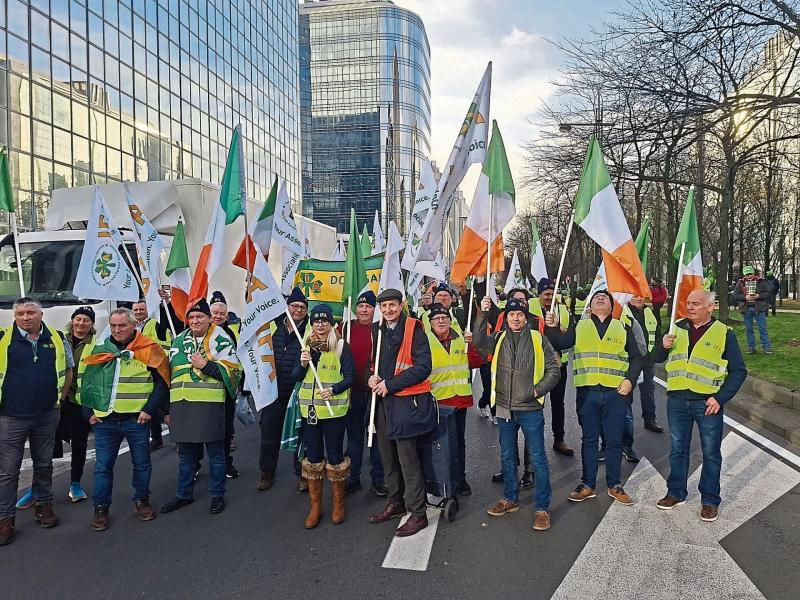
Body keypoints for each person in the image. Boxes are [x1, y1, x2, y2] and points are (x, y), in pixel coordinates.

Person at [652, 290, 747, 522]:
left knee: (711, 453)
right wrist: (663, 346)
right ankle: (676, 493)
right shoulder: (676, 328)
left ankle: (710, 500)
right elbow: (655, 358)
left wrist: (720, 398)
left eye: (696, 303)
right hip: (676, 400)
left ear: (710, 307)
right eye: (688, 303)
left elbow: (739, 370)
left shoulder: (724, 333)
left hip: (707, 403)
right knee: (678, 449)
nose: (690, 307)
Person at [474, 297, 562, 531]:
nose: (515, 318)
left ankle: (542, 508)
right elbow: (479, 343)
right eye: (511, 314)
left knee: (538, 458)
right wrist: (483, 315)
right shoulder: (499, 338)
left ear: (526, 318)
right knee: (507, 456)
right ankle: (510, 499)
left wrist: (537, 390)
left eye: (520, 314)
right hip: (504, 406)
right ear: (506, 318)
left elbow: (554, 369)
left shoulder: (537, 338)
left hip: (530, 408)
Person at [78, 308, 170, 530]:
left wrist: (149, 410)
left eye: (122, 325)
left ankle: (142, 501)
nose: (117, 330)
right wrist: (88, 413)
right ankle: (100, 509)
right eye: (114, 326)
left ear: (133, 325)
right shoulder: (99, 348)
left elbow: (162, 382)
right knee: (102, 467)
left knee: (141, 464)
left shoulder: (148, 347)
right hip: (105, 421)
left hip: (136, 420)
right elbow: (85, 382)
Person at [558, 290, 643, 506]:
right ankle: (588, 485)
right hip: (588, 393)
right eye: (596, 296)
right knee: (589, 439)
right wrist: (551, 326)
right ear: (590, 305)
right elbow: (558, 342)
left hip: (616, 393)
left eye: (605, 297)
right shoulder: (580, 326)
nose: (600, 298)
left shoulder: (622, 327)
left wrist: (630, 381)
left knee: (614, 441)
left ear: (612, 305)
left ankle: (614, 485)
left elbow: (636, 358)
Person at [0, 298, 73, 546]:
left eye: (31, 312)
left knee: (44, 464)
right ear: (15, 316)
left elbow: (69, 369)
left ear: (41, 314)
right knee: (8, 471)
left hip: (46, 413)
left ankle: (43, 506)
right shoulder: (3, 338)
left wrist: (59, 400)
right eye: (20, 313)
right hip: (11, 415)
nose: (26, 317)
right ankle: (5, 519)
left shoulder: (57, 338)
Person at [161, 299, 240, 515]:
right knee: (186, 456)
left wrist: (206, 366)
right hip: (183, 406)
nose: (195, 320)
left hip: (210, 406)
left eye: (200, 317)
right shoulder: (178, 341)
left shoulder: (220, 340)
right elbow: (168, 376)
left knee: (216, 455)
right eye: (192, 317)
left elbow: (233, 373)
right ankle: (183, 494)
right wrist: (167, 410)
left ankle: (217, 495)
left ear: (208, 319)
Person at [367, 288, 434, 537]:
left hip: (407, 405)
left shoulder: (414, 328)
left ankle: (418, 514)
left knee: (408, 461)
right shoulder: (378, 330)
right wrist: (370, 379)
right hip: (383, 405)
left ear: (401, 305)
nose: (388, 311)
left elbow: (423, 367)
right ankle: (396, 502)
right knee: (388, 459)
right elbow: (371, 364)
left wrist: (389, 384)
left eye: (392, 306)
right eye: (383, 307)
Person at [15, 306, 95, 511]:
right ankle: (36, 490)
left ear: (92, 324)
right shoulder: (58, 338)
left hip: (80, 402)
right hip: (54, 401)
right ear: (72, 321)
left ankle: (75, 484)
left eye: (86, 320)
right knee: (45, 448)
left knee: (79, 444)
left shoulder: (97, 344)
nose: (81, 323)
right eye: (78, 319)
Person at [294, 304, 354, 528]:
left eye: (324, 321)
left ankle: (338, 504)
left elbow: (350, 376)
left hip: (334, 413)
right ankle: (316, 507)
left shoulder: (340, 346)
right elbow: (296, 376)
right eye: (316, 321)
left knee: (336, 458)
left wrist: (334, 389)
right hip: (310, 412)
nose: (320, 325)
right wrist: (301, 363)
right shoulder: (305, 346)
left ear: (331, 324)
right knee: (313, 459)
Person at [427, 303, 484, 497]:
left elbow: (476, 362)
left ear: (450, 321)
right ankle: (442, 480)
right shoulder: (425, 342)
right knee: (441, 444)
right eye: (436, 319)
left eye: (444, 318)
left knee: (459, 442)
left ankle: (460, 479)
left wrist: (472, 344)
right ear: (431, 323)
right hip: (438, 402)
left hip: (459, 400)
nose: (441, 321)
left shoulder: (461, 339)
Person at [259, 287, 308, 492]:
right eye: (294, 306)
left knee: (301, 435)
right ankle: (267, 472)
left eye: (302, 307)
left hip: (297, 391)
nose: (298, 310)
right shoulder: (272, 327)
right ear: (287, 307)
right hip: (274, 392)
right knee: (269, 433)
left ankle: (302, 474)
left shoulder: (309, 330)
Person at [339, 291, 386, 496]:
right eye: (360, 306)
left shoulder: (381, 329)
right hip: (352, 391)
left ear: (374, 309)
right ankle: (354, 477)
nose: (364, 309)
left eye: (368, 306)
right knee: (355, 437)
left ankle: (378, 479)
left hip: (375, 392)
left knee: (376, 437)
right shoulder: (346, 328)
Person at [529, 278, 575, 456]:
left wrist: (556, 333)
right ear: (539, 294)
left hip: (557, 364)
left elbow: (567, 337)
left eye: (551, 293)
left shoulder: (562, 309)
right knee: (534, 403)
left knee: (558, 403)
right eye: (546, 294)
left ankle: (559, 439)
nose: (549, 297)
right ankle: (535, 441)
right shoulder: (529, 306)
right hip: (534, 365)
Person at [133, 291, 181, 452]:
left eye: (141, 309)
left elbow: (168, 329)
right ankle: (157, 438)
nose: (139, 312)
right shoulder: (131, 327)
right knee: (150, 406)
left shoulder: (155, 324)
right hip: (141, 372)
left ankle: (177, 437)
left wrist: (165, 304)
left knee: (166, 409)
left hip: (159, 369)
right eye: (136, 310)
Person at [621, 295, 664, 438]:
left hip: (647, 360)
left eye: (642, 296)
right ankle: (626, 427)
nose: (639, 298)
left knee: (648, 390)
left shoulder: (649, 312)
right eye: (635, 295)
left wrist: (655, 354)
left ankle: (650, 419)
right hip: (630, 360)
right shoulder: (623, 311)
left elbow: (656, 334)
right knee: (627, 393)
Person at [209, 290, 240, 479]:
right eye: (215, 314)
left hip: (227, 389)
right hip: (204, 391)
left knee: (227, 429)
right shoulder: (200, 334)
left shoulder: (232, 332)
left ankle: (226, 463)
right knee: (202, 431)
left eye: (222, 314)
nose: (218, 317)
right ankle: (196, 465)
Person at [734, 266, 773, 354]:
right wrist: (745, 297)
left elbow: (768, 293)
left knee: (762, 328)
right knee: (749, 329)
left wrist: (758, 296)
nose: (749, 276)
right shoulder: (740, 283)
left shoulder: (761, 281)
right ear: (744, 275)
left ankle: (766, 347)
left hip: (759, 308)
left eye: (750, 274)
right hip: (746, 309)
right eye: (747, 274)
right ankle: (751, 347)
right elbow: (736, 296)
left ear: (753, 273)